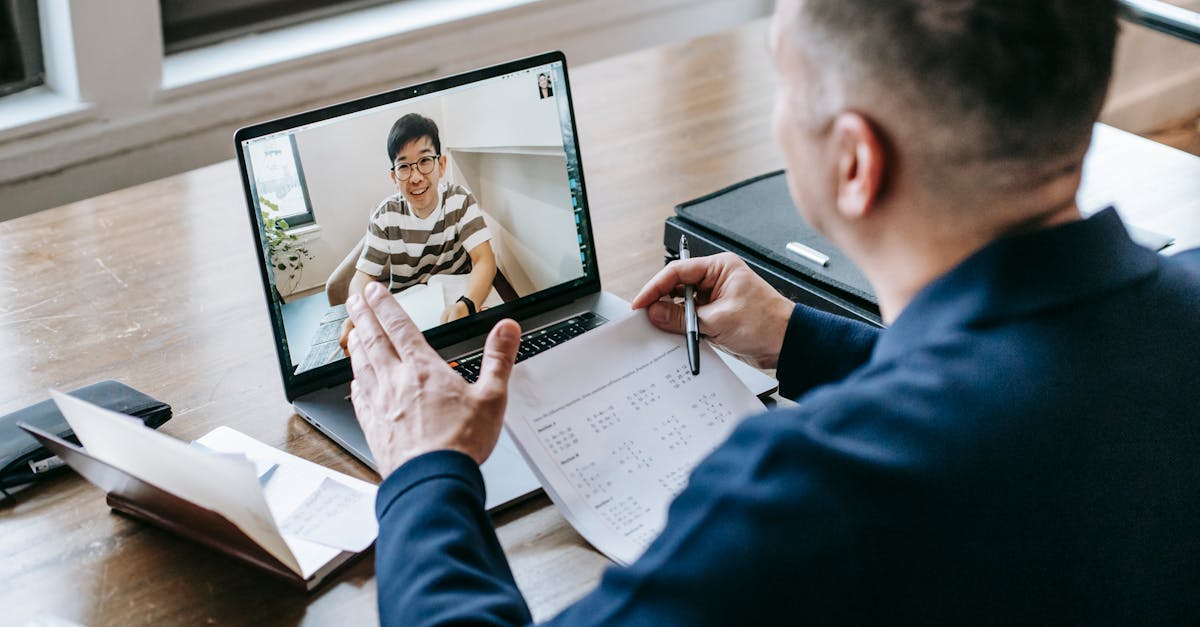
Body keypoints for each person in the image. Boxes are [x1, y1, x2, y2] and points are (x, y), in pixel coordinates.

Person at [344, 0, 1200, 623]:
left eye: (784, 83)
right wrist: (800, 339)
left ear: (855, 162)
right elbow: (1038, 382)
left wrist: (425, 468)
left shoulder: (809, 494)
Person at [338, 113, 497, 351]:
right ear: (394, 176)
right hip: (408, 317)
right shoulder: (385, 216)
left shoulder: (459, 199)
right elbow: (363, 277)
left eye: (425, 161)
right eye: (404, 166)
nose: (415, 177)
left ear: (441, 165)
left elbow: (484, 259)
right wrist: (360, 312)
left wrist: (467, 304)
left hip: (458, 305)